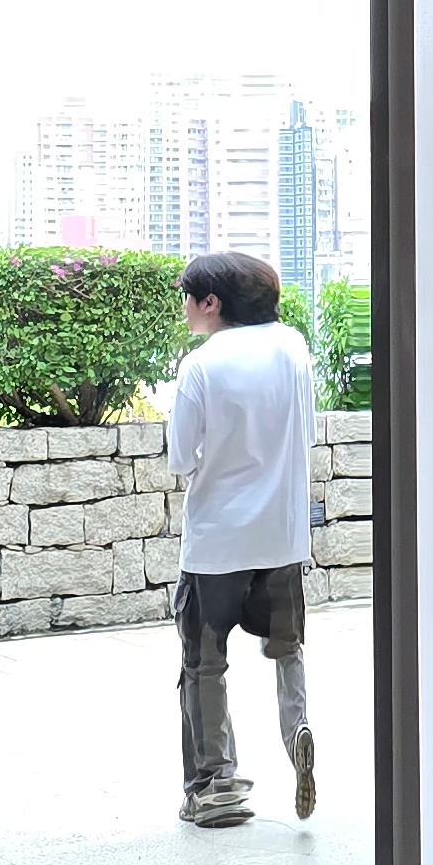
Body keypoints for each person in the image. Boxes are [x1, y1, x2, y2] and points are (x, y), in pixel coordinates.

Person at [165, 251, 319, 831]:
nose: (185, 307)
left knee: (204, 664)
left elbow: (181, 459)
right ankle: (297, 730)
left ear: (212, 303)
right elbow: (306, 432)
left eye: (189, 297)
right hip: (283, 538)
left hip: (217, 544)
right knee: (287, 648)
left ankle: (215, 785)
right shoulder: (294, 348)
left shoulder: (202, 364)